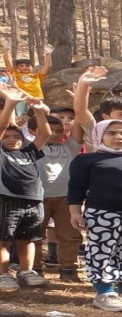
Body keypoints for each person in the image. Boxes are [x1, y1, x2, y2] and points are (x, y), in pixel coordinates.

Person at [68, 120, 122, 311]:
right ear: (100, 135)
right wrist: (75, 212)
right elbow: (76, 187)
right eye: (111, 133)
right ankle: (104, 291)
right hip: (102, 212)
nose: (118, 137)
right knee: (102, 250)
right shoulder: (86, 160)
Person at [0, 88, 51, 290]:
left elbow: (45, 133)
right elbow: (2, 126)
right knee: (4, 239)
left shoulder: (29, 152)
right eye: (8, 137)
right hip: (7, 199)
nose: (13, 139)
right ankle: (3, 274)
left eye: (17, 136)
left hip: (33, 200)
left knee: (28, 239)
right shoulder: (2, 153)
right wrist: (11, 103)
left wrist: (39, 111)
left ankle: (26, 271)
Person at [34, 110, 82, 281]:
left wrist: (80, 100)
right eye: (49, 130)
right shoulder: (32, 147)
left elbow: (80, 122)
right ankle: (35, 268)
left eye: (59, 131)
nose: (54, 134)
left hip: (65, 198)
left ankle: (68, 268)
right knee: (34, 235)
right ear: (34, 131)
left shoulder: (69, 147)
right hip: (36, 198)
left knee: (70, 234)